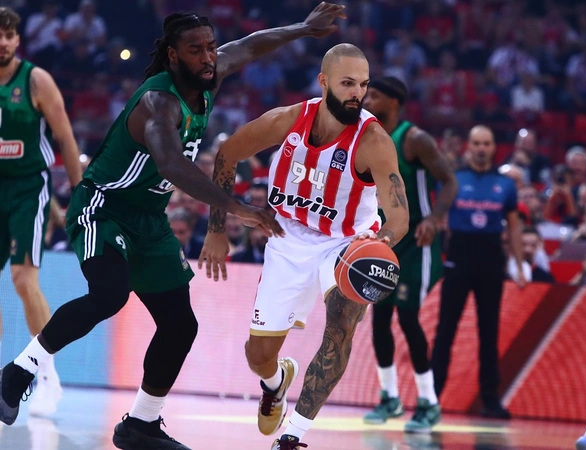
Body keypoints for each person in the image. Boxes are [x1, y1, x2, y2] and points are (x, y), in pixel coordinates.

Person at [0, 4, 347, 450]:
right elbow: (171, 164)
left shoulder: (208, 75)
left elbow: (250, 46)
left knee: (180, 325)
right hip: (104, 207)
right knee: (109, 293)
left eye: (210, 47)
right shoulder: (158, 102)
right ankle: (19, 371)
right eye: (195, 50)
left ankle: (141, 424)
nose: (208, 57)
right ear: (173, 56)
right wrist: (235, 207)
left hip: (149, 218)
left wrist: (303, 27)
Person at [200, 44, 410, 450]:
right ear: (324, 82)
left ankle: (293, 434)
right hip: (289, 237)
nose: (357, 93)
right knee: (258, 355)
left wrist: (382, 240)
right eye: (348, 83)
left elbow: (399, 214)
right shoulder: (289, 120)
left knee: (339, 331)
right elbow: (227, 154)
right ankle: (275, 382)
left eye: (363, 85)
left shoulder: (373, 140)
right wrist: (217, 229)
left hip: (348, 243)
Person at [360, 76, 457, 432]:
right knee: (379, 319)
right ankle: (389, 397)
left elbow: (449, 180)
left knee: (408, 317)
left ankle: (429, 402)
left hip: (417, 240)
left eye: (374, 95)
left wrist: (434, 218)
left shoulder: (414, 139)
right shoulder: (367, 137)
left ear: (394, 102)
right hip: (384, 240)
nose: (366, 100)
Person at [0, 7, 83, 417]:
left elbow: (66, 138)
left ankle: (47, 374)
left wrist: (80, 196)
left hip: (28, 187)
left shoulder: (35, 80)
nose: (3, 42)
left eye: (9, 35)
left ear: (18, 40)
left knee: (23, 279)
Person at [431, 125, 526, 420]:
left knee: (489, 331)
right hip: (459, 256)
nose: (481, 148)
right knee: (446, 328)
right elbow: (437, 220)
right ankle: (430, 397)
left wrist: (519, 265)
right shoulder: (453, 180)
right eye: (476, 143)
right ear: (468, 147)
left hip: (491, 259)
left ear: (494, 147)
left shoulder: (506, 185)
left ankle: (490, 400)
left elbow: (514, 227)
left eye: (486, 143)